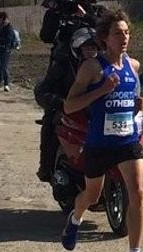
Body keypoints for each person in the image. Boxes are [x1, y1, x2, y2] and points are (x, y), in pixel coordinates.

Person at [60, 9, 143, 252]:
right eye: (117, 33)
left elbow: (132, 99)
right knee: (92, 196)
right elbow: (69, 105)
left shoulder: (133, 66)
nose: (123, 38)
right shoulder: (92, 67)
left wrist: (139, 105)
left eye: (126, 33)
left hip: (127, 140)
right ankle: (75, 219)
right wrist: (101, 90)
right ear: (105, 38)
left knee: (137, 192)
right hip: (99, 144)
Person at [35, 27, 99, 180]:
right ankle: (47, 168)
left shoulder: (105, 65)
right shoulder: (64, 65)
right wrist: (59, 103)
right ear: (78, 49)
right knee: (51, 125)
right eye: (87, 48)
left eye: (94, 48)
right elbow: (43, 90)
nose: (91, 52)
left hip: (97, 111)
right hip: (68, 108)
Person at [0, 11, 16, 92]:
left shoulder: (8, 28)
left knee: (4, 67)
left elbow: (8, 40)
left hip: (5, 49)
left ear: (2, 19)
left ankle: (6, 84)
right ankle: (0, 80)